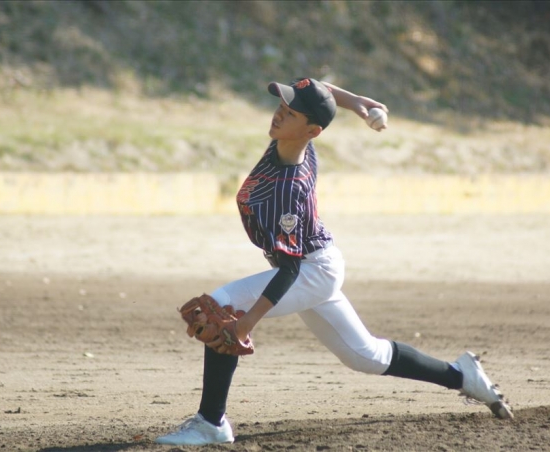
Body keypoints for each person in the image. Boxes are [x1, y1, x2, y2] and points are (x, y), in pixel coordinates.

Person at [155, 78, 513, 446]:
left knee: (222, 307)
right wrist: (355, 101)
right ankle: (462, 376)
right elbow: (318, 91)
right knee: (366, 356)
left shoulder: (287, 188)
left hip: (309, 270)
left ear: (311, 131)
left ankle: (211, 423)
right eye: (281, 106)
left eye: (290, 113)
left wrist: (245, 324)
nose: (279, 114)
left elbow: (289, 271)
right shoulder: (291, 143)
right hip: (317, 263)